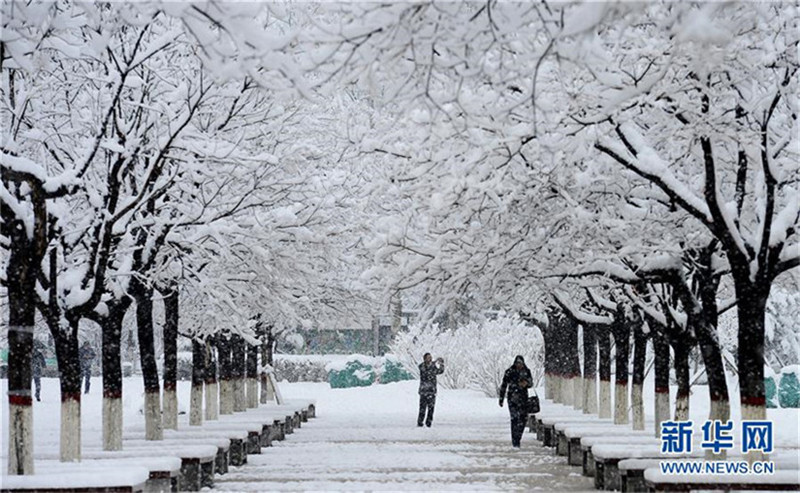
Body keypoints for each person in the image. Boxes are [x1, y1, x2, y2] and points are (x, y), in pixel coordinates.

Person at [498, 355, 533, 448]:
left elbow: (531, 383)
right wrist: (501, 399)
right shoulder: (510, 371)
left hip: (523, 399)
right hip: (513, 398)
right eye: (517, 363)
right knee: (514, 419)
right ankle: (515, 440)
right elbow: (504, 385)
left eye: (520, 364)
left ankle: (518, 437)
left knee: (523, 419)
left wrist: (526, 383)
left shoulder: (526, 371)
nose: (519, 365)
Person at [417, 352, 445, 427]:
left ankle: (429, 422)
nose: (430, 359)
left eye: (431, 357)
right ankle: (420, 422)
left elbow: (440, 371)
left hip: (431, 391)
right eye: (428, 357)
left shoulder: (433, 366)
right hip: (424, 391)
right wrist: (433, 363)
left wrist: (441, 364)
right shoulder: (422, 366)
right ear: (425, 358)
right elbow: (426, 373)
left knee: (431, 408)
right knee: (422, 408)